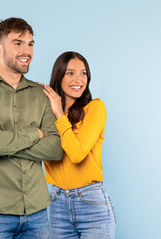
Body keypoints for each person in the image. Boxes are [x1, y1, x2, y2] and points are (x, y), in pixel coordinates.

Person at [0, 17, 63, 239]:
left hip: (37, 212)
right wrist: (35, 134)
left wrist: (3, 142)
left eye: (30, 44)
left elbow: (55, 148)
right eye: (18, 43)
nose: (27, 50)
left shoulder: (41, 93)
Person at [42, 51, 117, 238]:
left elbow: (76, 154)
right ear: (58, 76)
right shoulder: (46, 115)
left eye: (83, 73)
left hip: (91, 202)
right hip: (57, 203)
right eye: (70, 73)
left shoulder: (95, 108)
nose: (78, 79)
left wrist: (60, 114)